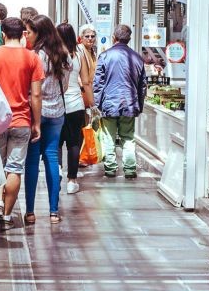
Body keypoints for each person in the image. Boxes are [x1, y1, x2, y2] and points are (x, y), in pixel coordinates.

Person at [0, 17, 43, 229]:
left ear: (3, 34)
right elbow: (36, 95)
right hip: (21, 120)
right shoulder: (32, 58)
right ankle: (7, 217)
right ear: (22, 35)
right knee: (14, 169)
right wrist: (36, 123)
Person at [22, 14, 70, 224]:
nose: (27, 35)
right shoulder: (64, 55)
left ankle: (31, 212)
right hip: (58, 112)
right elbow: (66, 87)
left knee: (32, 162)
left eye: (30, 32)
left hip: (37, 113)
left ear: (39, 33)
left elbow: (34, 92)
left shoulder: (35, 57)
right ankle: (53, 211)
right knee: (52, 158)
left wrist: (35, 119)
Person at [93, 24, 147, 179]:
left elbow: (98, 84)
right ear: (129, 39)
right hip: (130, 103)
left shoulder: (105, 56)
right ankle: (130, 169)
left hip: (109, 103)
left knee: (108, 136)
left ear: (113, 38)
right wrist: (139, 104)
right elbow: (143, 85)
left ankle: (110, 168)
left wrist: (97, 105)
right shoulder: (137, 58)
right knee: (128, 137)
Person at [57, 23, 93, 195]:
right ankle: (72, 181)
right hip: (75, 105)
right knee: (73, 144)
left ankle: (56, 169)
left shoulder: (52, 52)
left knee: (56, 142)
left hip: (56, 104)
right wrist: (92, 104)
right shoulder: (79, 53)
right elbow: (85, 82)